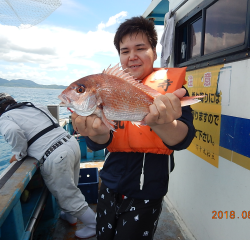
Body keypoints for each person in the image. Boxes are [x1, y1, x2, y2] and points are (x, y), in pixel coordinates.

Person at [71, 16, 195, 240]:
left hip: (148, 189)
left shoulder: (168, 91)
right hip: (109, 183)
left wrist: (162, 122)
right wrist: (96, 133)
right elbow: (99, 141)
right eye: (124, 51)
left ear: (155, 52)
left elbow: (184, 137)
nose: (132, 56)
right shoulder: (108, 86)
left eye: (141, 48)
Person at [0, 93, 96, 239]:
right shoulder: (32, 105)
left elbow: (13, 132)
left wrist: (19, 154)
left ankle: (94, 225)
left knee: (68, 196)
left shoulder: (5, 118)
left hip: (55, 155)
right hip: (70, 143)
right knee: (71, 186)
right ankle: (71, 217)